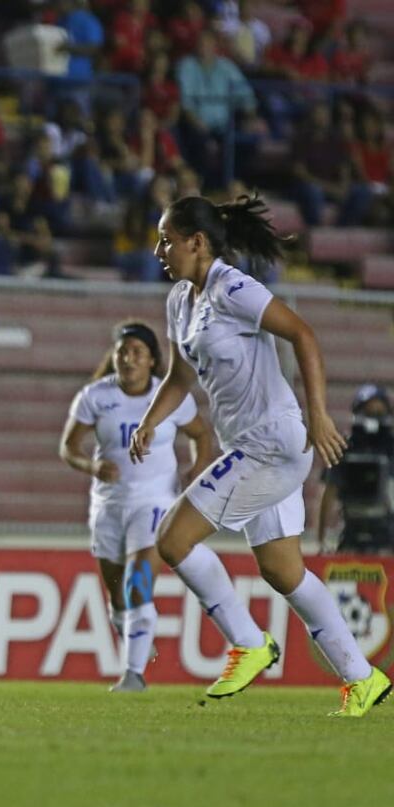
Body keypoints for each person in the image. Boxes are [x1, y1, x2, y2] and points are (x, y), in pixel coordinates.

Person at [129, 193, 391, 717]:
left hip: (271, 443)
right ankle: (363, 678)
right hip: (248, 447)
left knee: (172, 540)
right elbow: (182, 375)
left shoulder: (234, 288)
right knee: (282, 570)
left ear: (197, 242)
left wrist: (317, 414)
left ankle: (248, 643)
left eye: (167, 240)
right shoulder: (181, 300)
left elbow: (303, 334)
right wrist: (151, 420)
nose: (159, 250)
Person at [61, 321, 215, 692]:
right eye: (122, 351)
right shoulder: (95, 396)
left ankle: (133, 675)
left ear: (152, 361)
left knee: (137, 584)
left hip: (156, 501)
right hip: (109, 505)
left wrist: (197, 468)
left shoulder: (170, 398)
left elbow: (201, 434)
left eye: (136, 352)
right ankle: (137, 641)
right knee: (117, 596)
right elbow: (68, 447)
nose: (128, 359)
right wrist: (93, 466)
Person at [317, 384, 394, 554]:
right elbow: (328, 493)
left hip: (387, 533)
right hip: (351, 531)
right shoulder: (343, 447)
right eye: (369, 411)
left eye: (380, 412)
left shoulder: (391, 448)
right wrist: (321, 540)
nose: (374, 417)